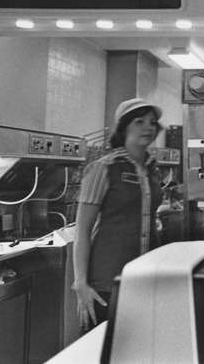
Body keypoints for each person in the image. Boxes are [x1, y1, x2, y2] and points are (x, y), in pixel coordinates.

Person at [72, 98, 164, 331]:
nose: (148, 127)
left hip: (145, 280)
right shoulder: (104, 168)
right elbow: (82, 230)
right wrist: (81, 284)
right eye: (139, 121)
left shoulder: (152, 169)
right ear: (123, 128)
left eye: (152, 122)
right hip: (106, 284)